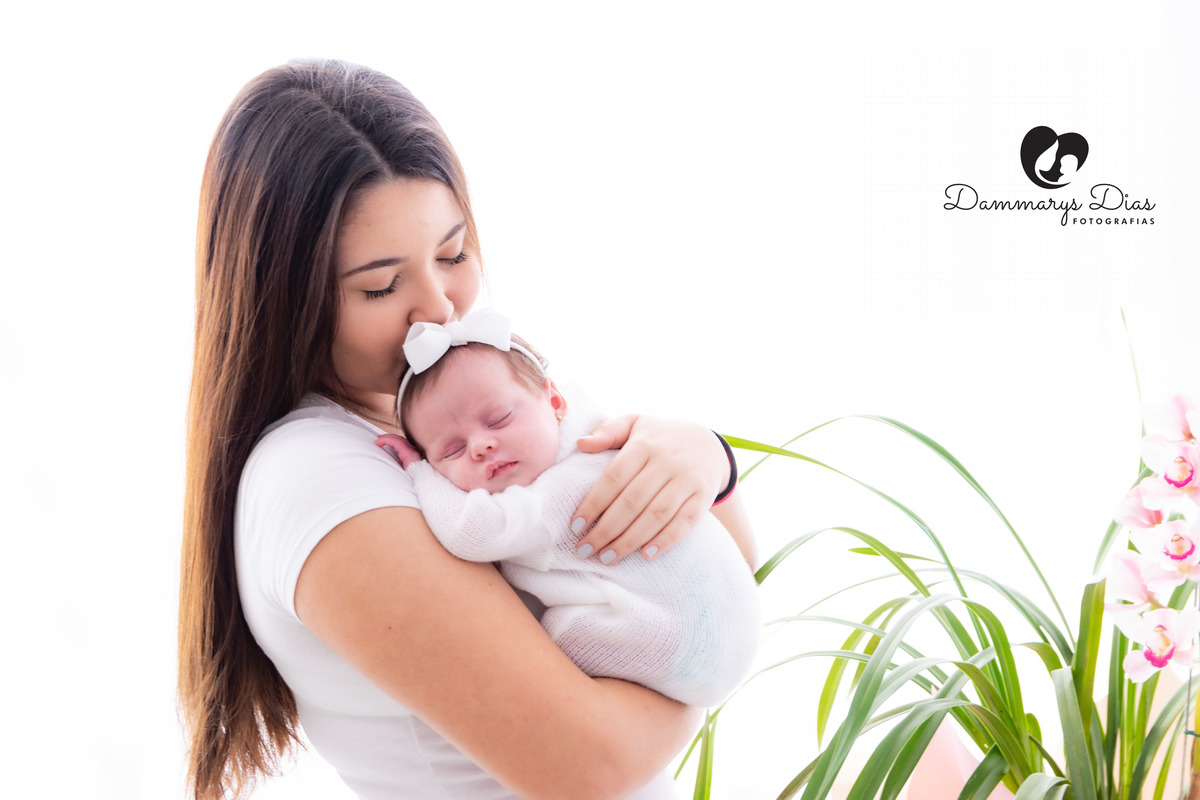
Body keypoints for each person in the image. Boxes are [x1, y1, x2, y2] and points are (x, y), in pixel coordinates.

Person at [178, 58, 756, 800]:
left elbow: (727, 567)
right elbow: (590, 766)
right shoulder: (316, 475)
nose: (439, 308)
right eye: (381, 286)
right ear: (284, 297)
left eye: (452, 254)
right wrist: (713, 660)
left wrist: (705, 460)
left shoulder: (448, 409)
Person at [378, 310, 760, 708]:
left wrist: (420, 471)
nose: (479, 446)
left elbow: (475, 533)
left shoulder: (576, 479)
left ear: (555, 400)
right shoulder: (597, 440)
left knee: (551, 636)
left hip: (684, 648)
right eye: (452, 450)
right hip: (722, 640)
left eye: (499, 419)